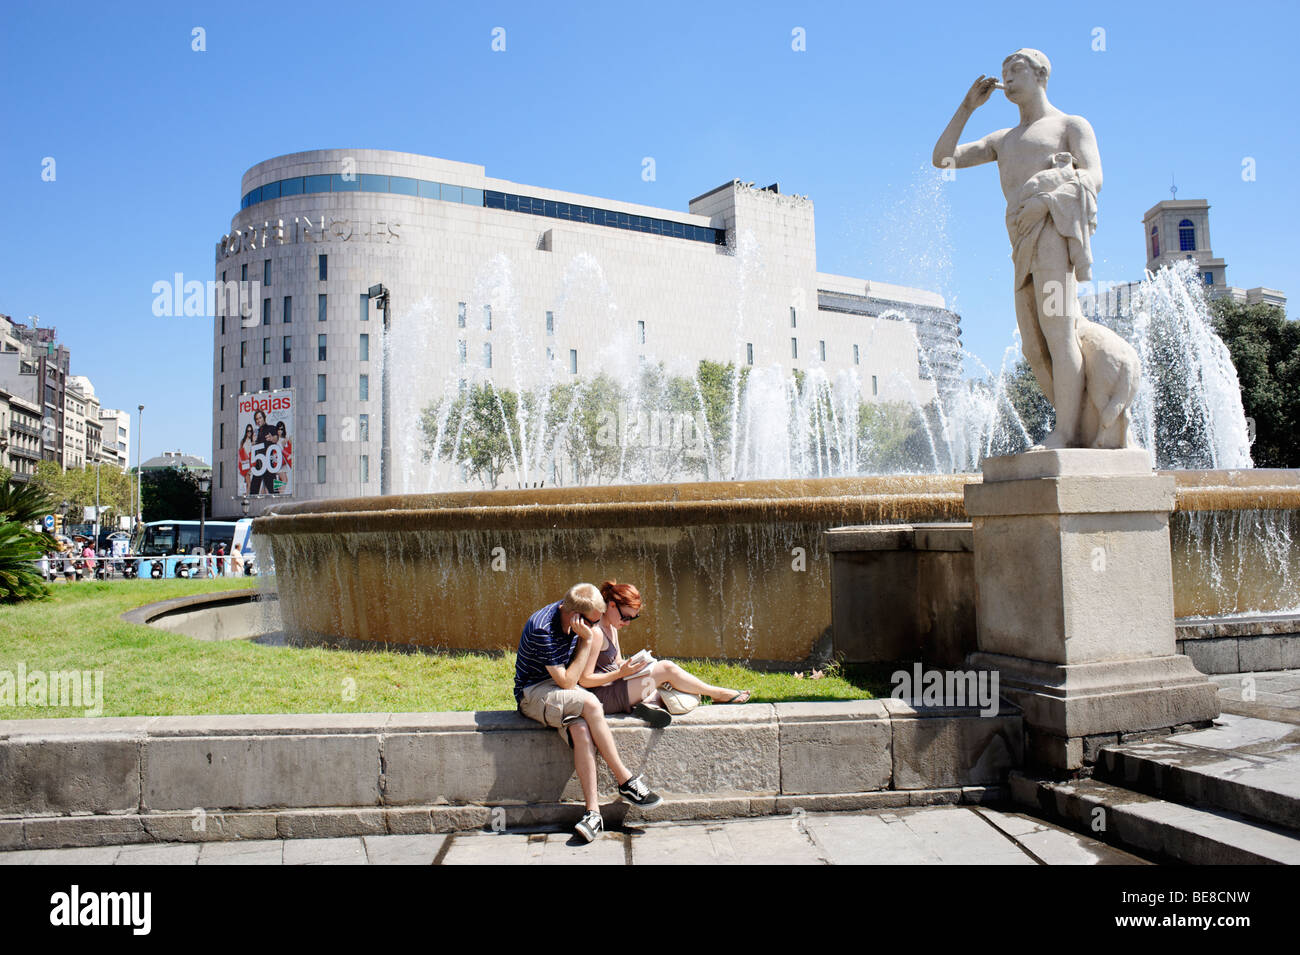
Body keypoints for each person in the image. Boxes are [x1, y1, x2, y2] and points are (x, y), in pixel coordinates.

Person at [932, 48, 1102, 449]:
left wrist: (1046, 200)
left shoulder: (1069, 125)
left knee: (1059, 334)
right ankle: (1076, 424)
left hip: (1053, 235)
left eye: (1016, 69)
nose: (1007, 76)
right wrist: (967, 107)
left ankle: (1067, 433)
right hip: (1022, 244)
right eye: (1004, 70)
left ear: (1041, 74)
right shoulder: (1001, 140)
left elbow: (1093, 177)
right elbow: (943, 159)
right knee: (1033, 346)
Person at [514, 583, 663, 844]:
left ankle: (593, 814)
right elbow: (568, 683)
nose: (595, 627)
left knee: (581, 729)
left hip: (564, 691)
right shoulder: (543, 629)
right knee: (592, 704)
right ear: (575, 616)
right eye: (593, 622)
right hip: (534, 693)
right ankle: (625, 780)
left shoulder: (579, 617)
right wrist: (586, 641)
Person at [578, 580, 751, 728]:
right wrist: (621, 673)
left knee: (659, 671)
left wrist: (635, 665)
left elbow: (615, 662)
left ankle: (651, 704)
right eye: (626, 617)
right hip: (603, 697)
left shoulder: (611, 628)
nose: (627, 623)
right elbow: (585, 679)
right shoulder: (597, 633)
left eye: (632, 618)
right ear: (612, 605)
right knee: (666, 669)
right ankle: (717, 694)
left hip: (616, 685)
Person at [249, 409, 279, 495]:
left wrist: (272, 438)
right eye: (256, 419)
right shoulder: (256, 432)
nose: (258, 420)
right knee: (253, 491)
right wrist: (253, 442)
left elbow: (276, 438)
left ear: (264, 418)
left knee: (274, 491)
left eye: (260, 418)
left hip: (268, 465)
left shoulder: (271, 428)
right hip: (258, 465)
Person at [238, 424, 254, 496]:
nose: (249, 432)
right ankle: (246, 495)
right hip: (244, 462)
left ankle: (245, 494)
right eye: (248, 431)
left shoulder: (252, 441)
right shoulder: (243, 441)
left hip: (250, 462)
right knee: (248, 481)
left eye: (250, 431)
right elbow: (240, 452)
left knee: (247, 481)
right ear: (246, 432)